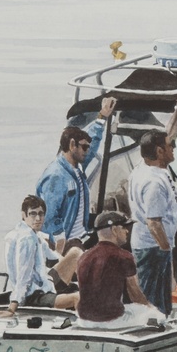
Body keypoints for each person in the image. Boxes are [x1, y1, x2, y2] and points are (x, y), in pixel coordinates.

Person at [128, 85, 177, 315]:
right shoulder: (154, 183)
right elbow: (153, 222)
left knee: (159, 297)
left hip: (151, 246)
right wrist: (167, 251)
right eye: (169, 147)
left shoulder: (147, 166)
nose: (173, 147)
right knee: (153, 303)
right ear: (158, 152)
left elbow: (169, 132)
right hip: (153, 249)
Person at [36, 97, 116, 254]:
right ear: (72, 145)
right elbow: (49, 218)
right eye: (84, 147)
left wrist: (102, 117)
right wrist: (60, 248)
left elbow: (92, 145)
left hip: (81, 237)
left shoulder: (76, 167)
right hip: (68, 246)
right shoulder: (56, 176)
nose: (88, 151)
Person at [76, 211, 164, 329]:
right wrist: (151, 307)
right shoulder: (123, 256)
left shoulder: (84, 257)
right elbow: (135, 294)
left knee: (130, 308)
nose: (127, 231)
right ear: (114, 230)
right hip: (112, 321)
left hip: (84, 320)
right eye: (124, 227)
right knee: (158, 316)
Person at [3, 195, 81, 315]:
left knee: (76, 253)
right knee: (79, 297)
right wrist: (12, 306)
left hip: (43, 285)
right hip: (34, 297)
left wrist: (74, 268)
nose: (38, 218)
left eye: (41, 214)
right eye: (33, 214)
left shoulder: (35, 235)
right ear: (24, 215)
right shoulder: (27, 238)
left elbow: (55, 257)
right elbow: (24, 275)